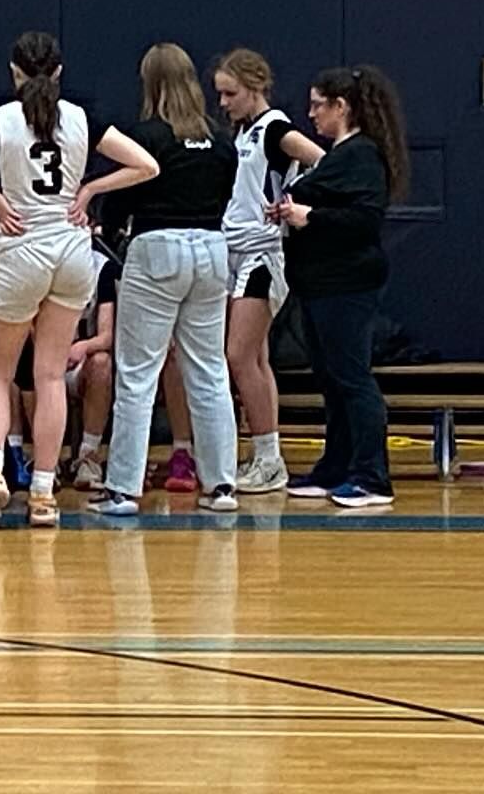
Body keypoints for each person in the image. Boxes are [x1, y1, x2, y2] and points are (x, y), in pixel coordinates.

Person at [0, 31, 159, 527]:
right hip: (72, 251)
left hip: (21, 249)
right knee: (50, 376)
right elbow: (147, 164)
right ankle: (44, 494)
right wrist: (91, 188)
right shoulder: (81, 117)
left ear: (14, 73)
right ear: (58, 73)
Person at [91, 43, 239, 517]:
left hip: (157, 248)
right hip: (213, 250)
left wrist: (110, 227)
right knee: (210, 371)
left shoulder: (146, 135)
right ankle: (221, 487)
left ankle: (123, 489)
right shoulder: (221, 140)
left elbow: (119, 201)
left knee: (137, 374)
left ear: (149, 84)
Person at [276, 65, 409, 508]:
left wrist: (308, 216)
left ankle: (373, 476)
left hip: (347, 284)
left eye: (318, 105)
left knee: (352, 378)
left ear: (342, 107)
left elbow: (364, 220)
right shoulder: (339, 155)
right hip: (319, 282)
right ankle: (336, 466)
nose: (310, 114)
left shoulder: (363, 155)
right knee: (330, 378)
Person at [213, 48, 325, 494]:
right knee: (254, 358)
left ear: (255, 86)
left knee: (239, 356)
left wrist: (295, 200)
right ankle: (265, 456)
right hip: (234, 251)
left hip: (262, 254)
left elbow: (322, 158)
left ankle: (268, 457)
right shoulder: (244, 132)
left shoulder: (275, 127)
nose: (223, 102)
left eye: (230, 93)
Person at [67, 234, 119, 492]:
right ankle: (43, 461)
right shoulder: (43, 258)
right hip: (47, 358)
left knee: (101, 362)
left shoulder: (102, 267)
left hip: (81, 360)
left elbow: (107, 336)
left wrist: (82, 347)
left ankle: (88, 456)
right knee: (20, 362)